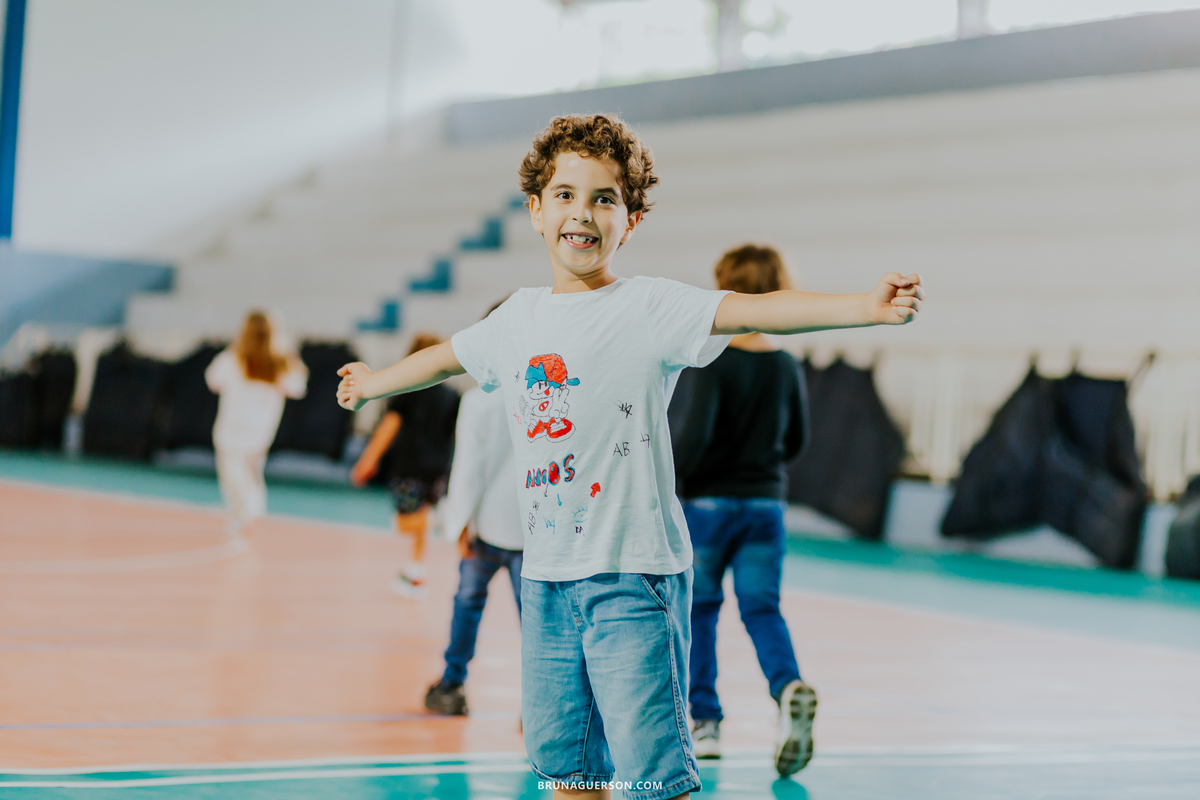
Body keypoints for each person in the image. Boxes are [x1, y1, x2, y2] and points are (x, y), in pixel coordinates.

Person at [337, 113, 924, 800]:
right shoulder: (515, 318)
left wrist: (866, 307)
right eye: (565, 194)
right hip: (546, 580)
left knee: (652, 782)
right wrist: (375, 382)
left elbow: (755, 310)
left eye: (604, 198)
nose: (582, 213)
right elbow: (444, 357)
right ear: (535, 209)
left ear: (632, 219)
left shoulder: (650, 307)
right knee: (568, 772)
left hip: (632, 577)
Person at [668, 244, 813, 774]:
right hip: (765, 505)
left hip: (709, 505)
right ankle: (787, 686)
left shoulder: (712, 357)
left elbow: (693, 435)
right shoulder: (786, 365)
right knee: (762, 609)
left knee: (701, 610)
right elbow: (796, 440)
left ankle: (705, 721)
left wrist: (674, 483)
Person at [424, 301, 524, 716]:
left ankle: (452, 683)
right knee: (539, 623)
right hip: (535, 532)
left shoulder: (480, 400)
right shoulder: (549, 394)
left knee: (467, 605)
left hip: (485, 528)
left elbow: (468, 468)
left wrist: (458, 523)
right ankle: (542, 705)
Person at [351, 333, 459, 598]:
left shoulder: (406, 393)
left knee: (406, 522)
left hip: (411, 468)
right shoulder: (452, 395)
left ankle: (440, 522)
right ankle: (416, 570)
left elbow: (389, 427)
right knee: (421, 520)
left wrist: (367, 460)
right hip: (439, 470)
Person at [205, 310, 307, 541]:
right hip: (260, 431)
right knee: (251, 472)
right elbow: (298, 388)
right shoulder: (280, 363)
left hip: (231, 428)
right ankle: (251, 508)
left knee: (233, 474)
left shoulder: (232, 359)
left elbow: (212, 380)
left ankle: (244, 511)